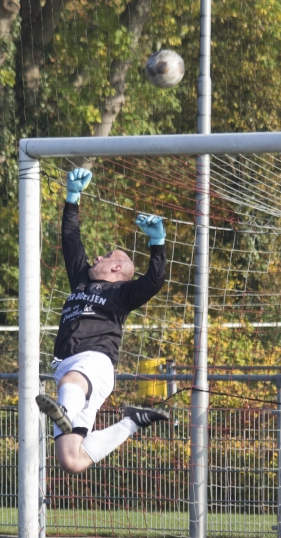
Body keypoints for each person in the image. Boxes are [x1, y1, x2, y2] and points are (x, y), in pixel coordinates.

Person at [36, 167, 170, 474]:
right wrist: (72, 198)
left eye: (106, 256)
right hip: (70, 369)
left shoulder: (122, 293)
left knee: (71, 384)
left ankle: (65, 411)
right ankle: (132, 422)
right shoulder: (81, 282)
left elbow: (153, 282)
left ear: (117, 268)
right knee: (72, 461)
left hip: (94, 362)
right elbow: (71, 240)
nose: (97, 258)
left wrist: (157, 245)